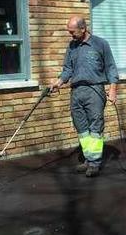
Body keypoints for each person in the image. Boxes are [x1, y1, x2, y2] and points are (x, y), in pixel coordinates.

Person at [50, 16, 119, 177]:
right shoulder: (72, 46)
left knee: (95, 126)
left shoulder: (100, 44)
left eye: (73, 32)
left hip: (94, 90)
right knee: (81, 127)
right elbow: (67, 69)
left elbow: (111, 68)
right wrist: (58, 82)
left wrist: (113, 89)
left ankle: (94, 163)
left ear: (83, 28)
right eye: (69, 32)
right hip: (76, 91)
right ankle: (88, 158)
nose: (71, 35)